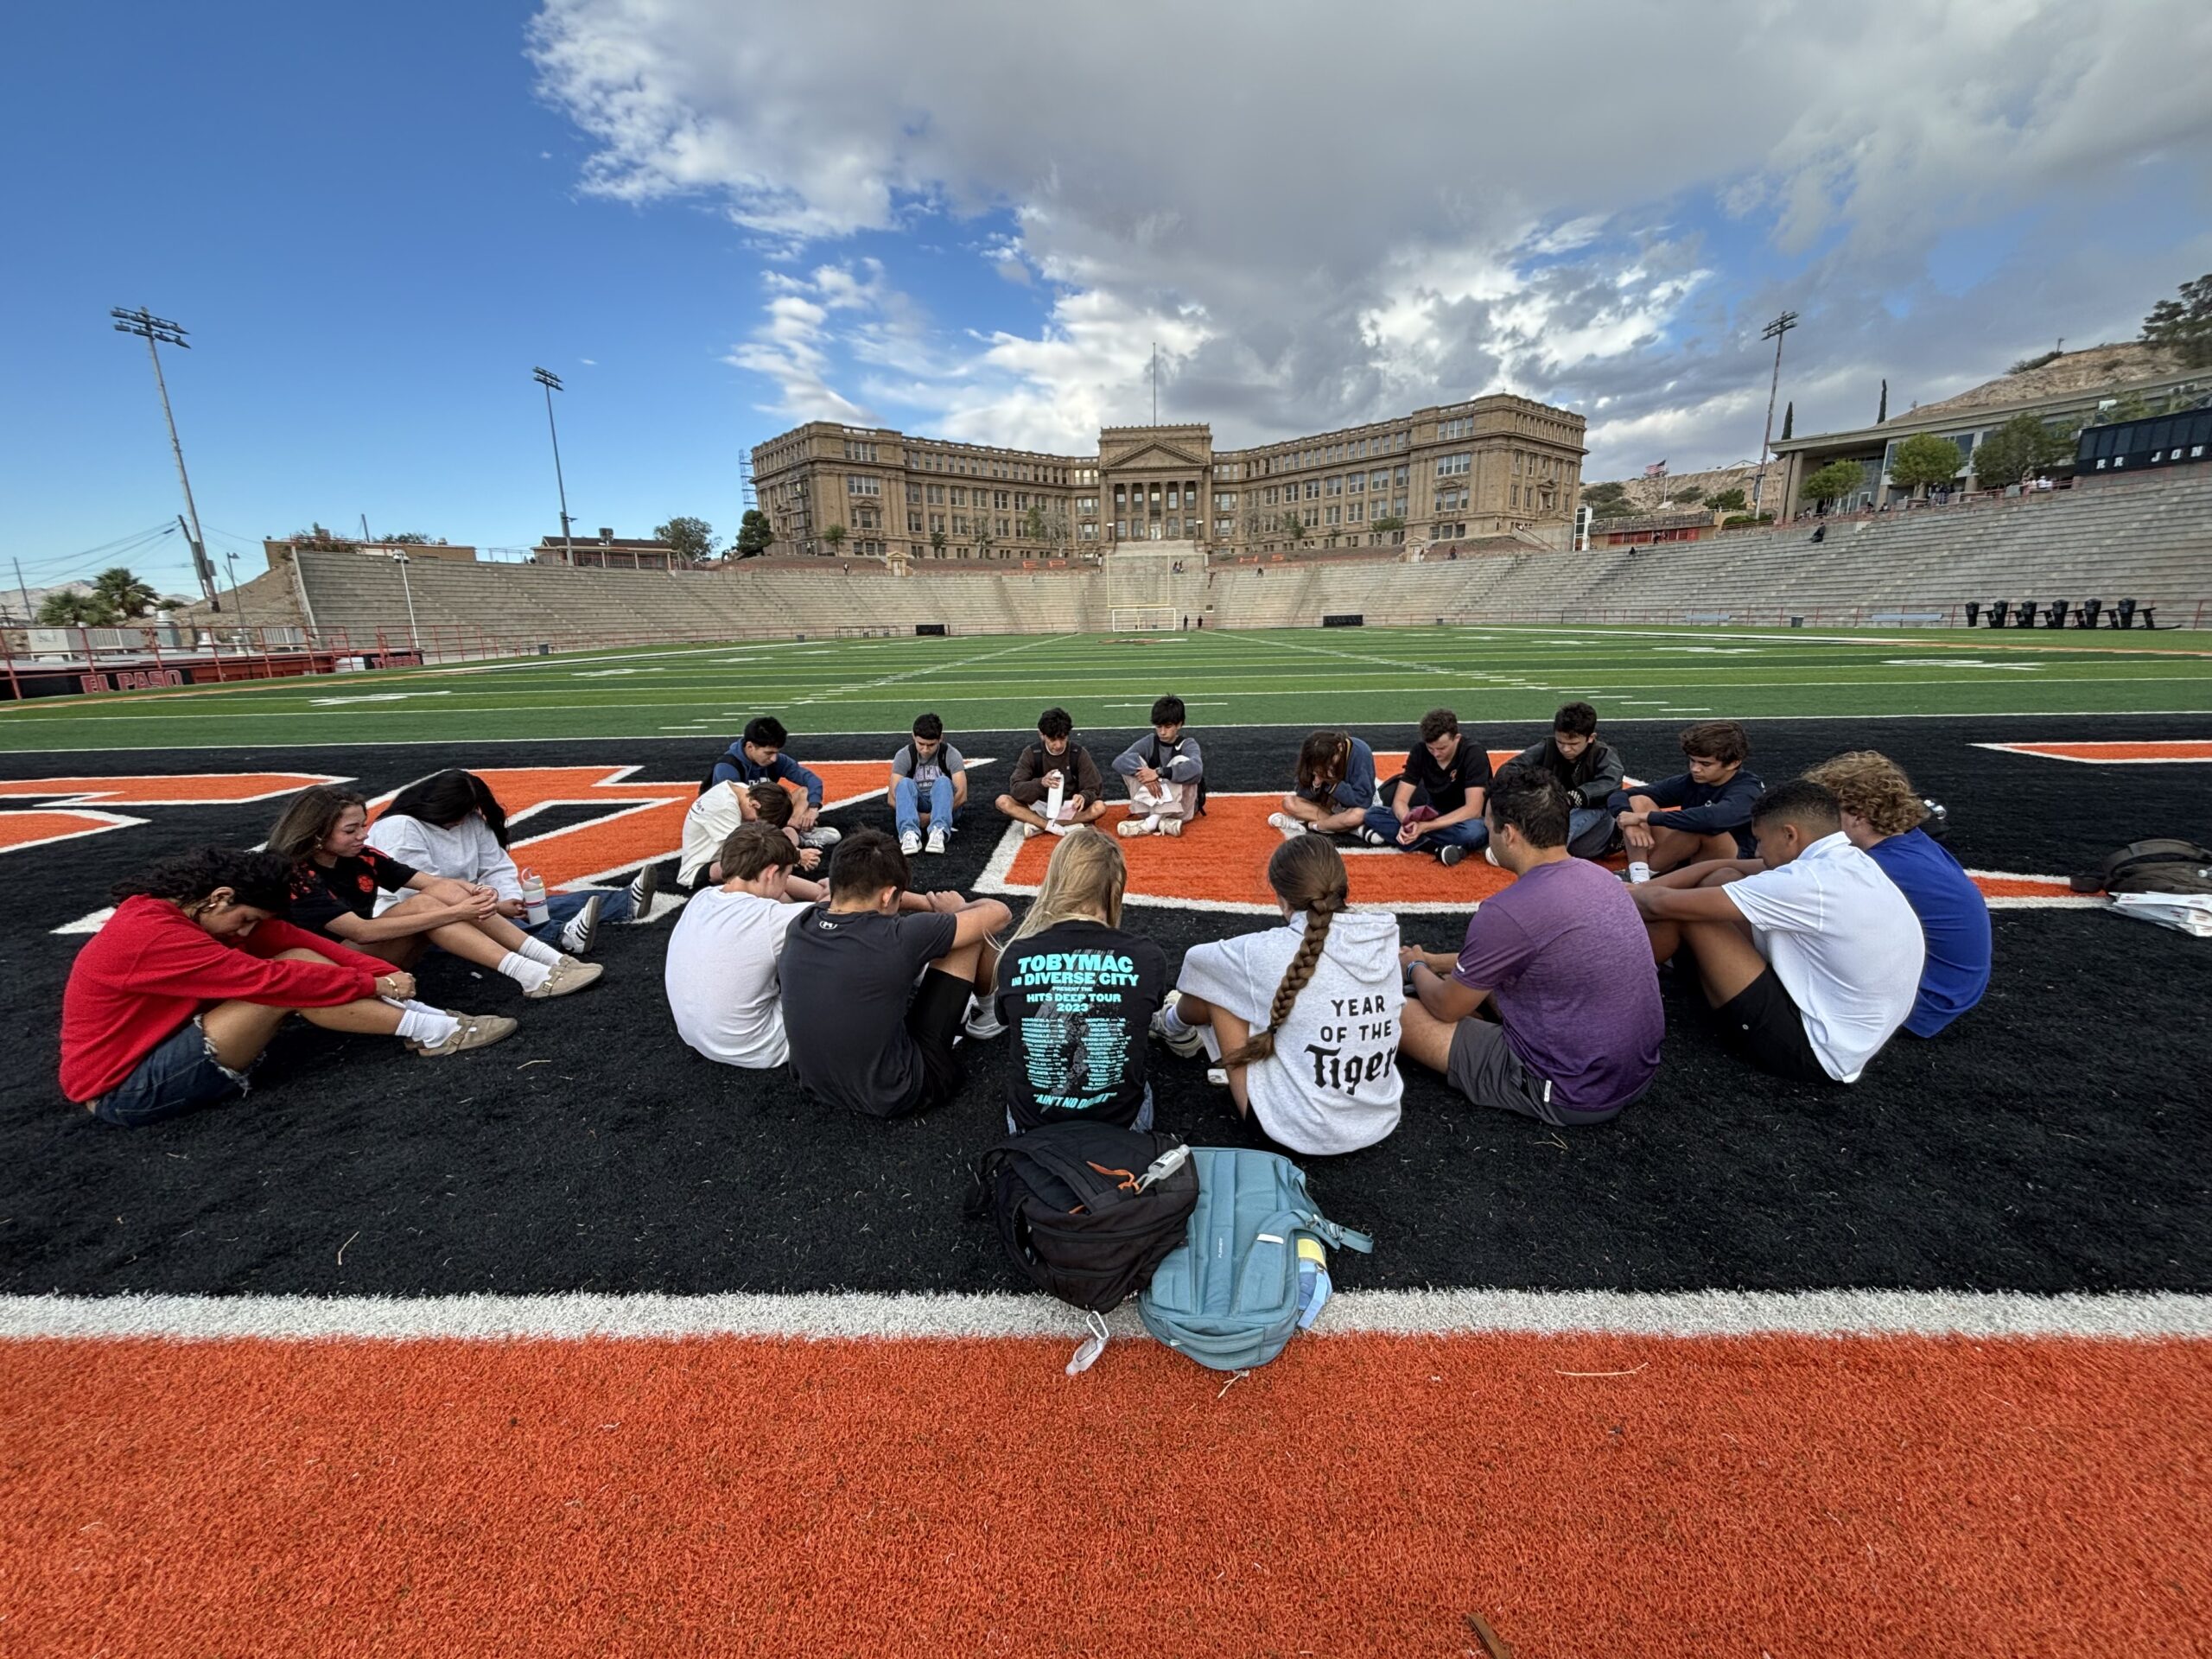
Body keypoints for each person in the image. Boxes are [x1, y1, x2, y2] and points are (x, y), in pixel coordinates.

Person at [60, 847, 514, 1125]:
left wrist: (380, 975)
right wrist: (371, 982)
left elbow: (294, 941)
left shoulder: (182, 912)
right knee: (283, 985)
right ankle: (436, 1030)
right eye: (245, 920)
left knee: (295, 960)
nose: (245, 932)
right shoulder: (152, 934)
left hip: (154, 1051)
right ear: (220, 897)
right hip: (125, 1091)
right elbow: (270, 980)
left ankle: (433, 1023)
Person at [1397, 774, 1662, 1125]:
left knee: (1388, 1011)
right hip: (1634, 1074)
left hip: (1570, 1091)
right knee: (1472, 983)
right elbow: (1518, 957)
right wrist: (1433, 961)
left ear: (1509, 834)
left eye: (1489, 827)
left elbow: (1446, 1007)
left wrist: (1415, 967)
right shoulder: (1602, 878)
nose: (1487, 834)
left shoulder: (1507, 911)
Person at [1630, 779, 1923, 1084]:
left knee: (1691, 915)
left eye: (1760, 840)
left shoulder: (1807, 882)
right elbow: (1723, 867)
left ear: (1789, 834)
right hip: (1844, 1029)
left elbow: (1658, 905)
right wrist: (1640, 888)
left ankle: (1614, 988)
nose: (1758, 850)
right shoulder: (1846, 861)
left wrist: (1611, 894)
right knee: (1723, 877)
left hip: (1811, 1051)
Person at [1154, 836, 1402, 1154]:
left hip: (1291, 1131)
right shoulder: (1384, 935)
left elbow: (1197, 963)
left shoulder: (1260, 951)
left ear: (1282, 899)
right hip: (1377, 1119)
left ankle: (1172, 1027)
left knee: (1220, 983)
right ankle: (1175, 1028)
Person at [268, 785, 601, 999]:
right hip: (321, 973)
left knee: (435, 898)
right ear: (317, 834)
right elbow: (362, 932)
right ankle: (532, 974)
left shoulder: (362, 857)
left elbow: (432, 883)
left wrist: (477, 895)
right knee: (426, 907)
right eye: (351, 830)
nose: (363, 835)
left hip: (361, 957)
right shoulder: (296, 875)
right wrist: (459, 911)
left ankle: (553, 961)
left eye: (363, 826)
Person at [779, 829, 1012, 1117]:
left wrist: (910, 899)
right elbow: (999, 913)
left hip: (815, 1084)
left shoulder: (802, 923)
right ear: (889, 894)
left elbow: (829, 895)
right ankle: (988, 1017)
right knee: (969, 932)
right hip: (897, 1092)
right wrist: (957, 908)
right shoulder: (899, 936)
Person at [365, 768, 658, 958]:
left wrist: (508, 899)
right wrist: (493, 906)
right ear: (436, 806)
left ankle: (623, 902)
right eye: (457, 812)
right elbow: (420, 893)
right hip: (420, 917)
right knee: (493, 919)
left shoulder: (469, 821)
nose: (463, 820)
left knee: (534, 906)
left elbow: (497, 866)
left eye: (467, 811)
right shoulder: (400, 827)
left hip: (469, 901)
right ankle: (558, 936)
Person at [1802, 751, 1990, 1037]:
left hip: (1920, 1004)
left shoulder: (1876, 866)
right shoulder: (1910, 846)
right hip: (1946, 993)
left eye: (1825, 815)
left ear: (1857, 816)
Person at [995, 828, 1168, 1131]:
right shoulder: (1146, 956)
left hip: (1033, 1128)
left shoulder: (1016, 955)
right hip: (1122, 1127)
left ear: (1057, 881)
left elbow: (1005, 1019)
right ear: (1115, 888)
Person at [664, 823, 825, 1070]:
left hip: (697, 1036)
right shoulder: (769, 918)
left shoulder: (701, 899)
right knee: (843, 956)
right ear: (771, 873)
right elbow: (846, 911)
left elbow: (770, 888)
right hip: (758, 1046)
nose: (786, 884)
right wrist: (831, 892)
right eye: (786, 876)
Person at [1607, 720, 1764, 873]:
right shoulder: (1692, 781)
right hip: (1688, 856)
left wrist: (1645, 818)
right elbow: (1620, 795)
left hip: (1731, 868)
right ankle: (1638, 873)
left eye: (1705, 764)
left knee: (1699, 825)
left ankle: (1646, 875)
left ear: (1733, 763)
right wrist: (1629, 821)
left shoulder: (1748, 790)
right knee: (1638, 801)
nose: (1695, 769)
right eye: (1692, 761)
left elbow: (1712, 820)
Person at [1362, 709, 1491, 865]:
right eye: (1431, 748)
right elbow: (1400, 800)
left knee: (1474, 832)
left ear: (1456, 738)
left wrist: (1425, 827)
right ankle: (1439, 848)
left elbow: (1473, 810)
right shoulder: (1420, 751)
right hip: (1434, 813)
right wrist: (1407, 822)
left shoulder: (1473, 753)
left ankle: (1422, 842)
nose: (1436, 754)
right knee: (1373, 814)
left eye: (1442, 748)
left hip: (1466, 819)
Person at [1498, 701, 1627, 859]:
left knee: (1592, 806)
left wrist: (1575, 797)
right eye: (1560, 742)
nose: (1566, 749)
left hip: (1597, 827)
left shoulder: (1603, 754)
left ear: (1591, 738)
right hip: (1562, 824)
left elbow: (1610, 783)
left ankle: (1542, 848)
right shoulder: (1547, 748)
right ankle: (1538, 845)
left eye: (1573, 744)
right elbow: (1510, 769)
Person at [709, 716, 841, 850]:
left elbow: (812, 780)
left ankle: (792, 832)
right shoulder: (728, 767)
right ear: (750, 747)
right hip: (740, 819)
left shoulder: (776, 761)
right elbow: (732, 810)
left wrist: (813, 809)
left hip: (767, 815)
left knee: (804, 793)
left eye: (776, 752)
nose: (773, 758)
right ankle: (790, 838)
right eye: (769, 753)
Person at [679, 777, 822, 891]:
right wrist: (795, 855)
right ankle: (816, 892)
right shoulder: (724, 807)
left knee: (787, 832)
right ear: (754, 805)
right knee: (759, 867)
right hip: (701, 869)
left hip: (730, 854)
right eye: (756, 821)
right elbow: (749, 849)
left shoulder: (744, 792)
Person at [997, 707, 1108, 837]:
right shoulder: (1031, 753)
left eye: (1063, 738)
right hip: (1038, 806)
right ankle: (1053, 826)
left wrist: (1083, 796)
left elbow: (1094, 788)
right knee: (1002, 802)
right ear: (1041, 734)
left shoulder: (1078, 753)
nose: (1058, 745)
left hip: (1068, 808)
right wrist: (1041, 783)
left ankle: (1039, 825)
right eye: (1052, 740)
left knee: (1099, 807)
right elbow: (1016, 789)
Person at [1110, 695, 1205, 839]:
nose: (1162, 732)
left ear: (1179, 724)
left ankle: (1151, 823)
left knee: (1181, 761)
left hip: (1180, 809)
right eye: (1158, 726)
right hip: (1149, 806)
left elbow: (1196, 770)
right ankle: (1161, 822)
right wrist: (1146, 777)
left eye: (1168, 726)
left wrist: (1159, 773)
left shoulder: (1188, 744)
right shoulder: (1150, 742)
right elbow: (1119, 761)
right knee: (1132, 762)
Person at [1268, 730, 1380, 840]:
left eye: (1328, 761)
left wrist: (1333, 783)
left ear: (1340, 747)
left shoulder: (1360, 751)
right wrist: (1316, 783)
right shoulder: (1314, 756)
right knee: (1289, 802)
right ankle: (1350, 828)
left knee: (1358, 815)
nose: (1326, 765)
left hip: (1354, 807)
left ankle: (1310, 825)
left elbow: (1363, 801)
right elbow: (1302, 796)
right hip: (1329, 808)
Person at [891, 712, 967, 856]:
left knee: (943, 782)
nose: (925, 749)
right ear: (913, 736)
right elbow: (892, 797)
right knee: (904, 783)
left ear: (940, 738)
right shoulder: (904, 755)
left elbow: (962, 795)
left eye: (931, 745)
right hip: (917, 805)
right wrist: (915, 815)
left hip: (944, 805)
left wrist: (929, 817)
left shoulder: (951, 754)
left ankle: (938, 831)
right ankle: (909, 833)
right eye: (921, 744)